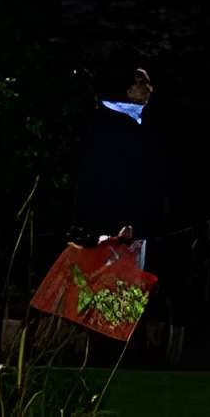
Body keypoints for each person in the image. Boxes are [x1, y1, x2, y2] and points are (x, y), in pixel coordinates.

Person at [72, 58, 173, 271]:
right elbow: (107, 176)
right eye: (141, 83)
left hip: (130, 225)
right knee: (113, 285)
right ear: (126, 88)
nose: (149, 89)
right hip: (113, 227)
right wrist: (123, 221)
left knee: (122, 285)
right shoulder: (111, 125)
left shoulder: (134, 121)